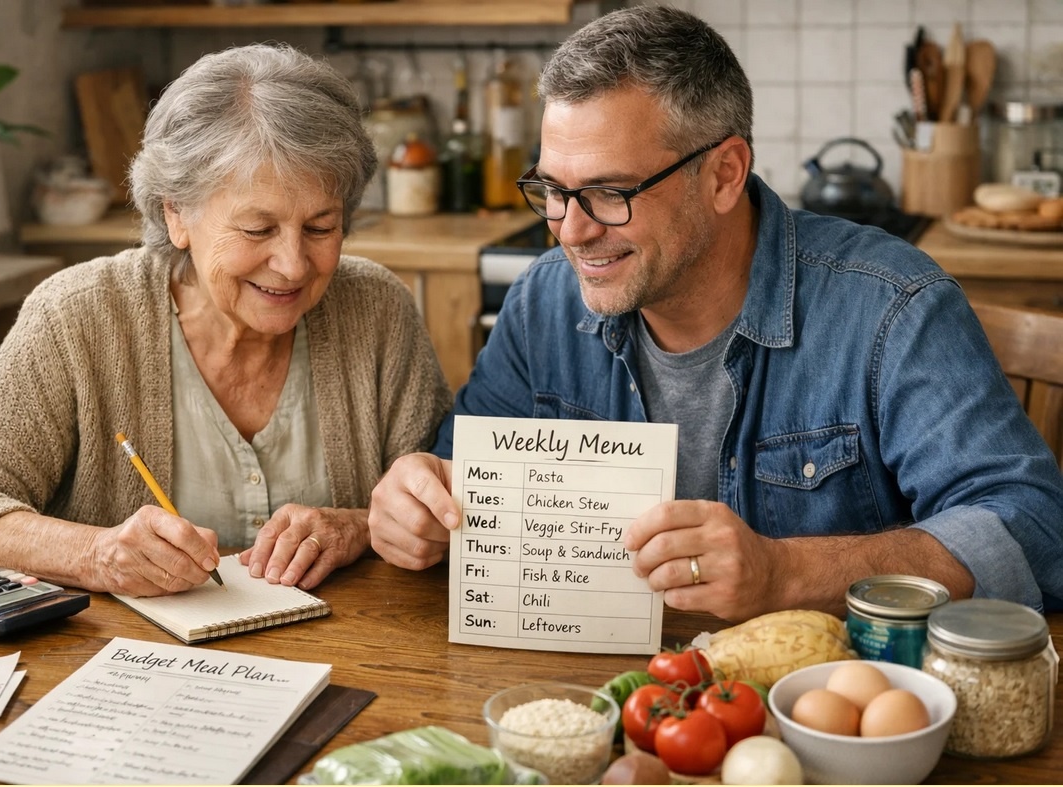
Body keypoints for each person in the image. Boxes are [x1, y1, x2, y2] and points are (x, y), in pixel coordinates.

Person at [368, 6, 1063, 619]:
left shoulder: (892, 308)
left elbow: (1032, 529)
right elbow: (459, 481)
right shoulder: (541, 303)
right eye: (553, 189)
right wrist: (417, 504)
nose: (570, 231)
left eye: (611, 193)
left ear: (725, 174)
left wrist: (786, 573)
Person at [0, 44, 451, 596]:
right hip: (119, 655)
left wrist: (357, 527)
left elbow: (449, 503)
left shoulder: (377, 309)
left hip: (353, 651)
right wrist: (96, 554)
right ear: (175, 213)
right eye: (257, 229)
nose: (293, 264)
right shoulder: (80, 315)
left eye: (321, 227)